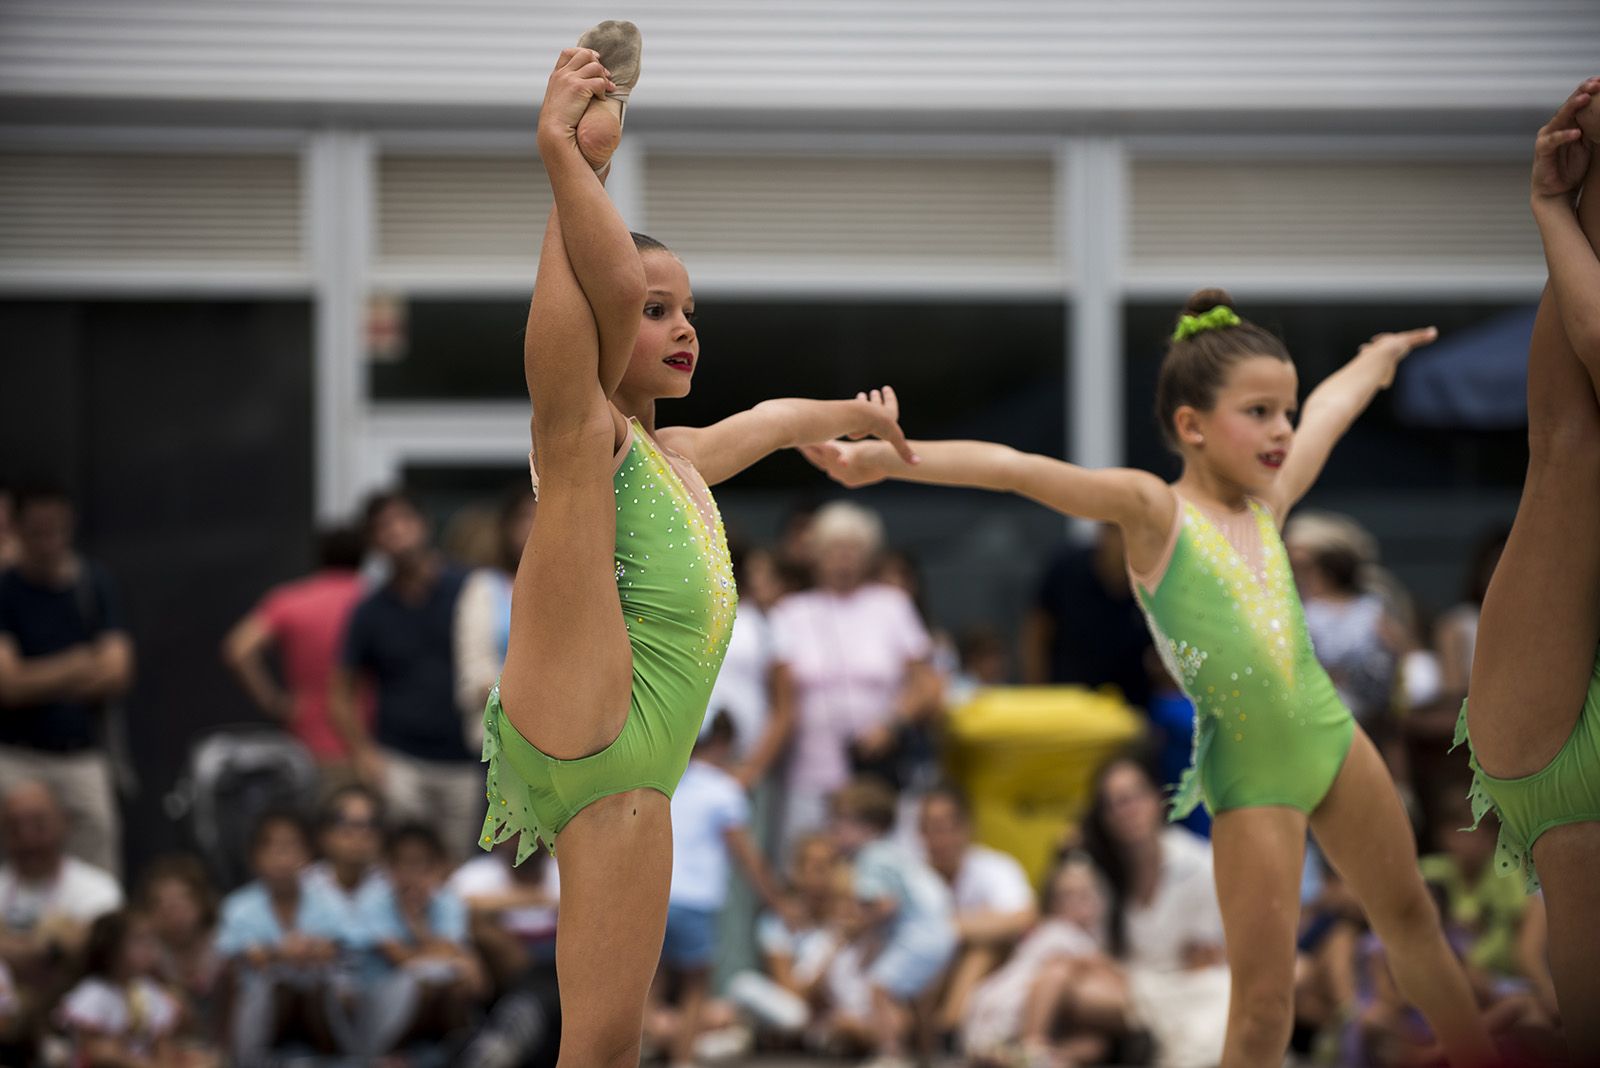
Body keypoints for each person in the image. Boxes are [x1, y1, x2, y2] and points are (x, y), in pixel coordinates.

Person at [806, 290, 1498, 1065]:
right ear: (1192, 426)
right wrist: (885, 461)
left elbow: (1332, 413)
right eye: (1260, 412)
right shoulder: (1154, 511)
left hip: (1334, 741)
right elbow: (1017, 471)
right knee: (1263, 1005)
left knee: (1412, 922)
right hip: (1252, 772)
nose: (1282, 431)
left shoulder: (1269, 503)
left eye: (1285, 411)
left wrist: (1376, 361)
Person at [475, 23, 916, 1067]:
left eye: (689, 311)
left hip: (640, 765)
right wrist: (575, 161)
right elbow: (606, 299)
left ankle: (576, 159)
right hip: (588, 696)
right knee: (581, 437)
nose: (681, 327)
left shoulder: (679, 455)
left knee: (609, 1047)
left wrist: (850, 415)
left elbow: (768, 419)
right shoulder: (590, 437)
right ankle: (568, 153)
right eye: (655, 309)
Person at [1454, 77, 1600, 1062]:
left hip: (1544, 740)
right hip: (1548, 739)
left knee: (1565, 446)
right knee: (1563, 447)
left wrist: (1553, 205)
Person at [769, 502, 943, 848]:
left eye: (853, 549)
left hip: (877, 770)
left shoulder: (891, 605)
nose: (843, 558)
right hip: (810, 770)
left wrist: (891, 725)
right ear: (816, 554)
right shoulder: (790, 612)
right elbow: (778, 697)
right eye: (833, 549)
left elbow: (926, 683)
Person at [331, 491, 479, 858]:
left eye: (403, 520)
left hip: (467, 757)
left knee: (456, 866)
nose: (396, 532)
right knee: (402, 862)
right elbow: (340, 690)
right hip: (400, 759)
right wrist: (363, 754)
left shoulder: (470, 590)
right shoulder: (369, 610)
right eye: (383, 527)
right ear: (373, 542)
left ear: (424, 525)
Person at [0, 485, 134, 875]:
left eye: (57, 530)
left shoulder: (93, 584)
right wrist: (76, 664)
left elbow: (117, 672)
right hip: (15, 754)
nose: (49, 542)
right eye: (38, 532)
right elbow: (9, 685)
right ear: (18, 531)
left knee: (99, 842)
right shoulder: (6, 589)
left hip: (80, 753)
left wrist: (36, 676)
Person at [650, 712, 789, 1068]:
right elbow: (747, 858)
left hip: (655, 895)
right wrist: (777, 901)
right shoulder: (724, 790)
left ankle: (640, 1052)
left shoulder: (666, 779)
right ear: (723, 743)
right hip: (696, 901)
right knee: (696, 985)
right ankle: (682, 1059)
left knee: (652, 982)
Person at [222, 525, 370, 781]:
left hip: (306, 742)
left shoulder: (291, 600)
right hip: (370, 743)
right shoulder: (374, 601)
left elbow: (238, 649)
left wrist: (275, 702)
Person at [830, 777, 956, 1067]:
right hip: (939, 933)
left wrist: (857, 926)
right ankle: (929, 1054)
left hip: (918, 936)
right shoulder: (892, 851)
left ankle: (890, 1054)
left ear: (869, 826)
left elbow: (886, 904)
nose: (835, 831)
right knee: (919, 997)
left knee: (879, 989)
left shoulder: (870, 858)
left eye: (842, 823)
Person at [962, 854, 1123, 1068]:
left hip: (1041, 1021)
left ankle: (1028, 1055)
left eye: (1085, 894)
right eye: (1067, 896)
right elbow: (1096, 964)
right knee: (1057, 974)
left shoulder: (1089, 936)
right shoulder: (1060, 932)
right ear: (1052, 903)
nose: (1078, 902)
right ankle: (1031, 1047)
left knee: (1096, 1044)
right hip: (1012, 1006)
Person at [0, 780, 123, 1054]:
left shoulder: (98, 887)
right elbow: (68, 947)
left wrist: (9, 948)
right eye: (14, 827)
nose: (27, 837)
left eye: (38, 825)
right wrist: (51, 947)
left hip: (76, 1031)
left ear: (64, 823)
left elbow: (95, 951)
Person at [214, 810, 342, 1062]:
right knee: (272, 984)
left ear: (308, 855)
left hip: (317, 1014)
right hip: (258, 1017)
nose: (282, 858)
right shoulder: (237, 906)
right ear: (254, 857)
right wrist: (282, 953)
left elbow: (333, 949)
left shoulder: (329, 901)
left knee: (323, 983)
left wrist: (285, 953)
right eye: (272, 848)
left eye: (291, 847)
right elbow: (240, 958)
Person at [916, 785, 1037, 1037]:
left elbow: (1024, 917)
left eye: (944, 827)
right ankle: (943, 1032)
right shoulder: (913, 876)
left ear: (965, 828)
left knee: (982, 948)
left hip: (997, 974)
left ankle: (949, 1026)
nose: (937, 838)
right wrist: (974, 923)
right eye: (929, 828)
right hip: (929, 977)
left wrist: (952, 928)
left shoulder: (994, 867)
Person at [361, 821, 488, 1055]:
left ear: (437, 867)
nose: (413, 874)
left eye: (422, 864)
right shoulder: (372, 900)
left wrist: (423, 931)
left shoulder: (447, 900)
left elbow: (477, 979)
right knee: (426, 982)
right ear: (388, 866)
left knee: (459, 984)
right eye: (405, 864)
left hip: (433, 1004)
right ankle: (392, 1054)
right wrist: (446, 953)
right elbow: (402, 958)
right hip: (376, 1003)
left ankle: (460, 1053)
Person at [54, 910, 215, 1068]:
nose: (149, 948)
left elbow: (161, 1044)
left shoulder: (149, 992)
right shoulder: (94, 994)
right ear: (112, 948)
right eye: (139, 941)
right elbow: (99, 1053)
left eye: (150, 941)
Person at [1021, 523, 1154, 709]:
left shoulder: (1153, 585)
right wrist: (1036, 695)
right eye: (1116, 531)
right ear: (1102, 533)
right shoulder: (1067, 570)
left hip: (1131, 710)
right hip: (1067, 703)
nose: (1123, 542)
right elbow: (1037, 632)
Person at [456, 489, 536, 750]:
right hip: (499, 738)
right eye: (525, 517)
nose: (534, 524)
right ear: (508, 527)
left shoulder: (573, 587)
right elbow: (474, 672)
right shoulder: (484, 587)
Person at [138, 856, 223, 1047]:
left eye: (182, 902)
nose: (175, 914)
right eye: (164, 906)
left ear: (201, 902)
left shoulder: (224, 947)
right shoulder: (146, 956)